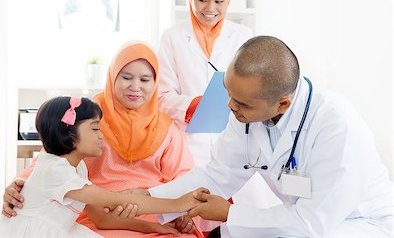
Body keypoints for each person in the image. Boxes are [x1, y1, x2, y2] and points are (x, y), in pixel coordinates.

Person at [148, 36, 393, 237]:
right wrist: (151, 197)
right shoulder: (246, 114)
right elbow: (218, 174)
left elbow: (312, 224)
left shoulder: (337, 127)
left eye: (241, 103)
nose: (230, 106)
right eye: (229, 93)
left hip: (357, 223)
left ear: (282, 104)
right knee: (223, 234)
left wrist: (230, 213)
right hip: (296, 217)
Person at [2, 42, 204, 237]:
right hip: (97, 208)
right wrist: (20, 185)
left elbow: (184, 176)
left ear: (155, 82)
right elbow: (53, 156)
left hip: (155, 211)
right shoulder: (86, 115)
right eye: (126, 77)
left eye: (144, 80)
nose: (135, 87)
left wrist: (179, 211)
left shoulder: (166, 125)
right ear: (113, 76)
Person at [0, 96, 202, 237]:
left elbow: (102, 219)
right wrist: (179, 204)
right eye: (94, 128)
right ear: (69, 135)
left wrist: (155, 227)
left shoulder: (79, 168)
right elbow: (115, 201)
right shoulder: (54, 170)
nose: (101, 135)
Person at [158, 0, 253, 168]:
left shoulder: (243, 36)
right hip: (189, 141)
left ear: (229, 0)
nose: (210, 8)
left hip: (234, 135)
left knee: (241, 197)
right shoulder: (172, 37)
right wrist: (193, 106)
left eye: (219, 1)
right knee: (194, 194)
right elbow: (162, 97)